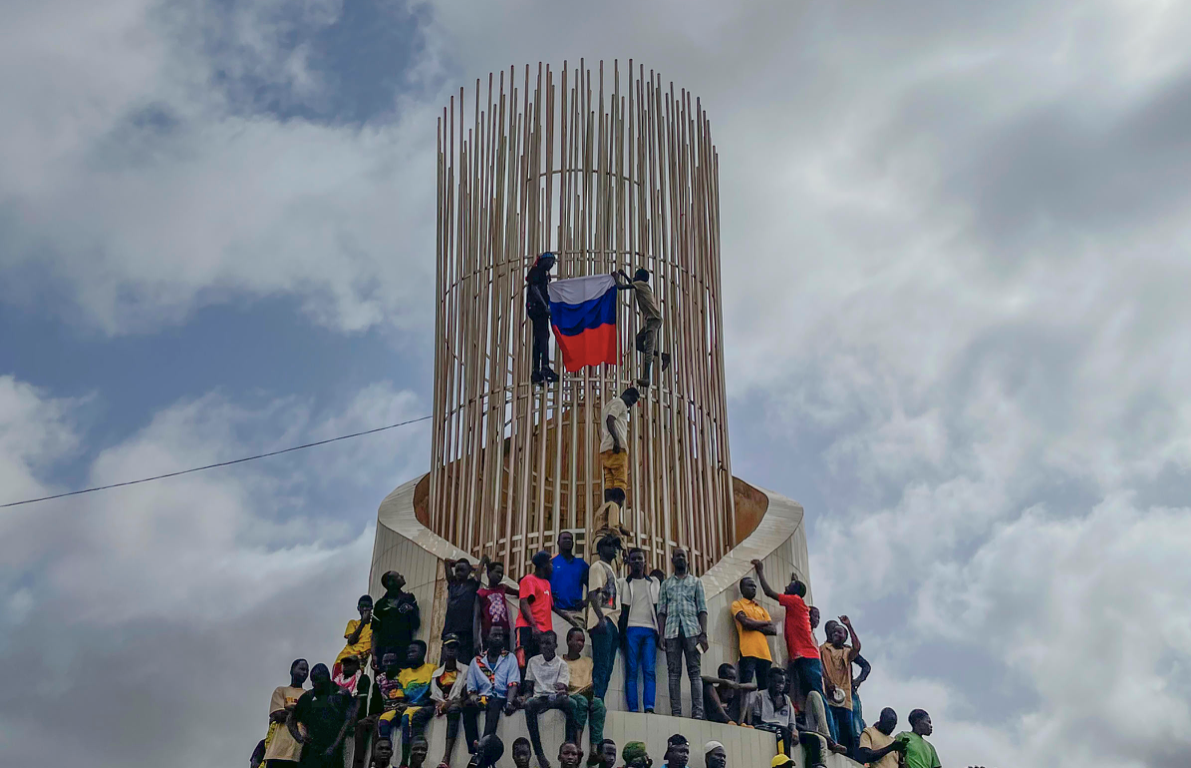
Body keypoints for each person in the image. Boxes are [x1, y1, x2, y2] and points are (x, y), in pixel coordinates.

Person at [750, 561, 825, 706]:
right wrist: (794, 582)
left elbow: (769, 593)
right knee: (803, 693)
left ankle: (826, 727)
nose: (785, 588)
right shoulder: (796, 603)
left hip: (807, 656)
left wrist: (760, 571)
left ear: (794, 593)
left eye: (788, 587)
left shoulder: (795, 601)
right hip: (800, 657)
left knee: (816, 694)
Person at [656, 547, 708, 719]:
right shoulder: (666, 584)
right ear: (672, 561)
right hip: (671, 632)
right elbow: (661, 611)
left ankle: (698, 713)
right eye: (676, 556)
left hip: (693, 631)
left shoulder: (696, 582)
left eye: (682, 556)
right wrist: (661, 634)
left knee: (694, 672)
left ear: (688, 561)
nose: (680, 558)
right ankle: (676, 713)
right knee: (673, 673)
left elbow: (702, 610)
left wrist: (704, 634)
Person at [288, 663, 358, 768]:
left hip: (334, 751)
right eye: (312, 681)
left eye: (317, 681)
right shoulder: (308, 697)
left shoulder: (341, 694)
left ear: (327, 680)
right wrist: (300, 738)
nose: (314, 684)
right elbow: (291, 719)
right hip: (311, 751)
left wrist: (334, 746)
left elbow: (348, 721)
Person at [522, 630, 575, 768]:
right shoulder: (533, 661)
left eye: (548, 643)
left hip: (556, 698)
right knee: (529, 704)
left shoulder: (561, 664)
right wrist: (525, 697)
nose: (545, 646)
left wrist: (562, 690)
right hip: (539, 698)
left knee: (572, 704)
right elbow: (528, 686)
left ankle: (569, 746)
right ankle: (539, 754)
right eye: (542, 643)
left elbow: (563, 686)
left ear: (555, 645)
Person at [612, 268, 670, 388]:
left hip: (653, 319)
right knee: (638, 343)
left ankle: (646, 377)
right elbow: (632, 283)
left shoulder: (640, 284)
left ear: (639, 277)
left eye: (635, 275)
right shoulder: (642, 285)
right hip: (652, 319)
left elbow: (621, 287)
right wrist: (625, 275)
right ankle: (663, 356)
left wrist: (615, 278)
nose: (634, 276)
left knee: (649, 346)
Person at [619, 547, 661, 713]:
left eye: (640, 558)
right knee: (632, 671)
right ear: (629, 562)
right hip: (631, 630)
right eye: (634, 559)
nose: (637, 561)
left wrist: (661, 634)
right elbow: (621, 610)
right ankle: (633, 708)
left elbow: (659, 608)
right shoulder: (623, 583)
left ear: (645, 561)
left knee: (649, 670)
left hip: (650, 631)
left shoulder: (654, 583)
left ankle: (649, 707)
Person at [596, 387, 641, 538]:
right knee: (620, 487)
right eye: (632, 401)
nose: (630, 406)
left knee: (609, 485)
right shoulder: (620, 403)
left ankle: (607, 521)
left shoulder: (609, 404)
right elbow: (611, 420)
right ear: (627, 395)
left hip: (605, 449)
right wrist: (616, 440)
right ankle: (614, 523)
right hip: (617, 448)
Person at [431, 635, 478, 768]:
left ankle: (446, 757)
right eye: (448, 646)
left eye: (454, 647)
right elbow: (435, 697)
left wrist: (450, 703)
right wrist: (442, 704)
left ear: (458, 650)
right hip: (441, 707)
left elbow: (466, 693)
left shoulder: (466, 670)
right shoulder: (436, 674)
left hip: (457, 705)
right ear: (443, 649)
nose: (451, 650)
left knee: (455, 708)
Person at [466, 625, 521, 736]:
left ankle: (486, 744)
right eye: (495, 635)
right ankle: (473, 747)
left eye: (500, 635)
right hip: (483, 698)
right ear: (487, 637)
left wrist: (509, 702)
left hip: (501, 698)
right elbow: (471, 690)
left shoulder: (510, 658)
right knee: (467, 707)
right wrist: (474, 699)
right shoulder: (476, 661)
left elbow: (513, 683)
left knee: (494, 703)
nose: (498, 638)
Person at [562, 627, 606, 764]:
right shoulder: (560, 661)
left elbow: (591, 682)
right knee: (580, 702)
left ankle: (594, 751)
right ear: (569, 641)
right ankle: (578, 746)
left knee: (599, 705)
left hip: (586, 694)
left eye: (583, 641)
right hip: (570, 696)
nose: (581, 644)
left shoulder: (588, 661)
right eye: (578, 640)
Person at [820, 617, 862, 758]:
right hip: (829, 696)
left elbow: (857, 647)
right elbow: (820, 668)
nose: (837, 635)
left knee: (848, 733)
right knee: (832, 729)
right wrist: (827, 682)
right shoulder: (823, 649)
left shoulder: (846, 652)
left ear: (845, 637)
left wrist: (849, 626)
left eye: (840, 633)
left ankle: (849, 760)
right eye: (835, 633)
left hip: (845, 700)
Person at [587, 534, 622, 701]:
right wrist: (601, 618)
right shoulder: (597, 567)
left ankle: (599, 699)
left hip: (613, 622)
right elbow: (592, 593)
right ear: (600, 549)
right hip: (604, 621)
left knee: (608, 667)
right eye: (610, 546)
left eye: (615, 547)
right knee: (601, 664)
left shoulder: (612, 571)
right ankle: (596, 698)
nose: (614, 550)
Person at [262, 659, 308, 768]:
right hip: (278, 751)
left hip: (299, 752)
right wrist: (299, 711)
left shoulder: (308, 695)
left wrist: (289, 708)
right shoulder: (281, 691)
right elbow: (277, 715)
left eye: (307, 670)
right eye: (302, 669)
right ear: (292, 670)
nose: (305, 672)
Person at [731, 576, 776, 686]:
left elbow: (773, 629)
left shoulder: (761, 609)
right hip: (748, 651)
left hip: (765, 654)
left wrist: (753, 623)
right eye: (750, 585)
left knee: (764, 688)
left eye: (755, 586)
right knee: (746, 685)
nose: (754, 588)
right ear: (742, 589)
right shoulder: (737, 604)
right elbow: (745, 623)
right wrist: (764, 623)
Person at [372, 571, 420, 673]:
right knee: (383, 682)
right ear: (390, 583)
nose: (402, 576)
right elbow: (375, 631)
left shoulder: (409, 598)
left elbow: (416, 624)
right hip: (383, 651)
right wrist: (374, 654)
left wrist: (411, 610)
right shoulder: (380, 604)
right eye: (398, 576)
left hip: (403, 649)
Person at [444, 556, 487, 662]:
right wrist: (460, 563)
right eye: (457, 570)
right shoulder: (452, 583)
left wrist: (472, 568)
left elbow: (484, 559)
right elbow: (447, 561)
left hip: (466, 630)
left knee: (465, 659)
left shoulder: (473, 583)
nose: (458, 572)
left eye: (462, 570)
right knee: (448, 659)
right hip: (450, 628)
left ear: (468, 572)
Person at [517, 551, 556, 667]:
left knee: (542, 666)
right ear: (544, 565)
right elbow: (524, 603)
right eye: (551, 563)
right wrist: (533, 625)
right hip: (529, 629)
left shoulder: (546, 583)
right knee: (525, 664)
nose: (552, 567)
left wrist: (568, 618)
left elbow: (551, 606)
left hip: (544, 632)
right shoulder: (529, 580)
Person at [750, 668, 798, 758]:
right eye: (777, 682)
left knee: (813, 738)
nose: (780, 686)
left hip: (784, 728)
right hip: (765, 725)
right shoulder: (760, 695)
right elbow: (756, 719)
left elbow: (792, 723)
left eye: (782, 683)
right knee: (784, 731)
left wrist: (795, 731)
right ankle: (785, 761)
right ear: (770, 681)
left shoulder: (787, 699)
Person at [526, 252, 559, 384]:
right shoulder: (537, 271)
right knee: (544, 336)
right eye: (550, 262)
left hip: (536, 309)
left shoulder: (540, 272)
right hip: (538, 309)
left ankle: (536, 371)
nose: (551, 265)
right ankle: (544, 366)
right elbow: (534, 289)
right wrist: (545, 306)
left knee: (538, 339)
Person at [551, 531, 589, 627]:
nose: (568, 541)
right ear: (558, 542)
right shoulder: (551, 563)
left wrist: (585, 602)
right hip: (555, 612)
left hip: (575, 613)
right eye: (565, 538)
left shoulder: (581, 565)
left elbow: (594, 585)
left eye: (570, 539)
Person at [476, 560, 513, 649]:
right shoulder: (481, 593)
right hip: (488, 633)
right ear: (488, 573)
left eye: (501, 573)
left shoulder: (503, 588)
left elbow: (519, 593)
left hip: (504, 632)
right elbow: (477, 616)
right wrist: (476, 639)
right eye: (497, 572)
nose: (499, 575)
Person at [335, 595, 374, 678]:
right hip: (343, 662)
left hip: (358, 666)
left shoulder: (375, 626)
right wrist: (363, 623)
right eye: (362, 607)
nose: (364, 609)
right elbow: (351, 641)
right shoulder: (353, 623)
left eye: (367, 607)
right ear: (358, 608)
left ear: (371, 608)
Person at [851, 653, 872, 747]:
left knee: (856, 720)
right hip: (832, 692)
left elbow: (866, 666)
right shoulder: (823, 650)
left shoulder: (848, 651)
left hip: (849, 692)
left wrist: (858, 680)